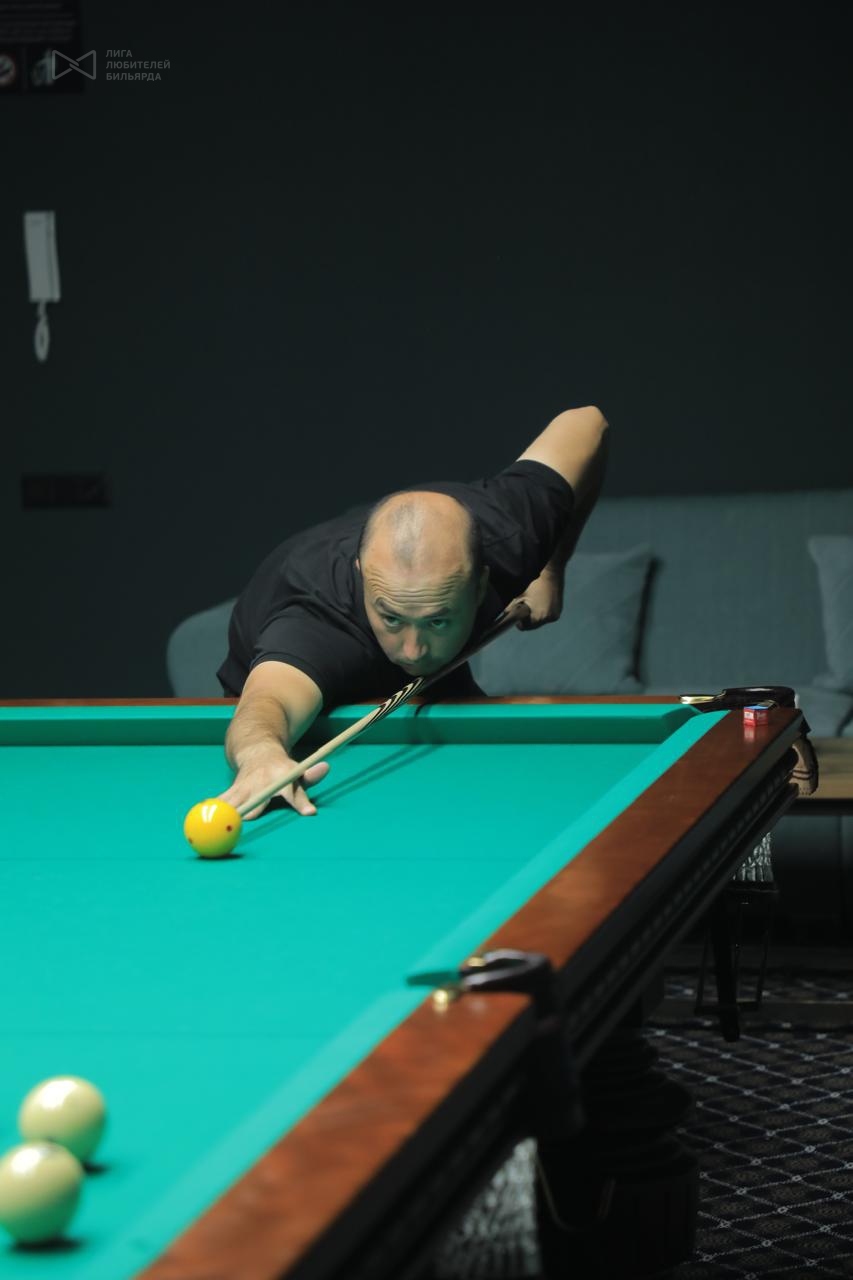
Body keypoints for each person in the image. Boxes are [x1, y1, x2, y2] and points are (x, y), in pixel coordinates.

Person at [217, 405, 609, 818]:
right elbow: (266, 703)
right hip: (316, 681)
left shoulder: (510, 536)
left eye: (437, 620)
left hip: (436, 676)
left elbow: (588, 423)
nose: (413, 650)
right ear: (362, 576)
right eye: (392, 618)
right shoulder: (318, 625)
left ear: (480, 585)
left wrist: (550, 568)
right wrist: (261, 753)